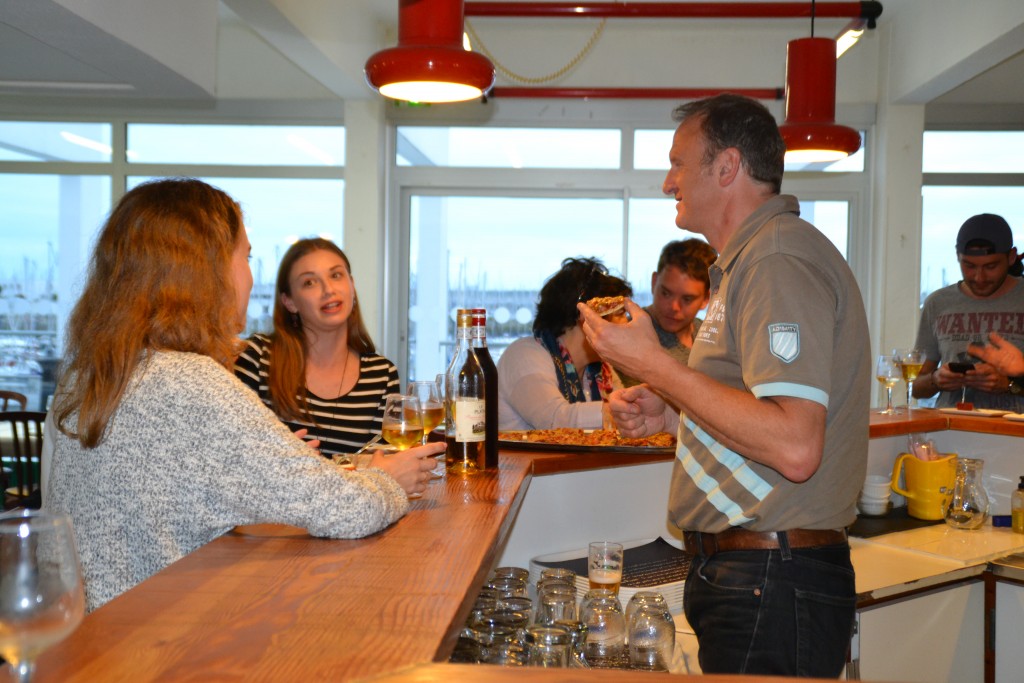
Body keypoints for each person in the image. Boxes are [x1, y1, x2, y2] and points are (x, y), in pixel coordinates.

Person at [46, 178, 440, 612]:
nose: (250, 278)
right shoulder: (190, 382)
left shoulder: (86, 376)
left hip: (86, 644)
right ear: (206, 270)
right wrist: (389, 481)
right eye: (246, 257)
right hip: (159, 646)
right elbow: (347, 511)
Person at [578, 94, 870, 678]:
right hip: (757, 573)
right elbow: (755, 413)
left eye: (679, 163)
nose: (668, 182)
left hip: (772, 574)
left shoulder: (776, 260)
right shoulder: (746, 264)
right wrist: (670, 413)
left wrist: (657, 366)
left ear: (728, 167)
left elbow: (794, 444)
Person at [234, 238, 403, 458]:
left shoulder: (382, 375)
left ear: (351, 285)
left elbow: (381, 470)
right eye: (309, 283)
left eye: (336, 275)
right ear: (289, 302)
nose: (328, 290)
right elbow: (233, 456)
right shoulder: (258, 359)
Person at [497, 257, 632, 430]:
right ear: (585, 316)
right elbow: (555, 419)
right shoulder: (523, 355)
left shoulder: (602, 370)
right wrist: (623, 412)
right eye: (620, 313)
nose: (627, 323)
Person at [912, 213, 1024, 412]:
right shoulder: (937, 303)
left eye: (991, 266)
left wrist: (1009, 384)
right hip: (951, 432)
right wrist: (936, 379)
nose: (979, 277)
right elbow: (916, 388)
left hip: (1014, 436)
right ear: (957, 256)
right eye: (969, 266)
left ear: (1011, 257)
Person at [618, 238, 717, 387]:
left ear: (706, 299)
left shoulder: (710, 337)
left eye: (687, 299)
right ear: (654, 282)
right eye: (666, 293)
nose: (674, 306)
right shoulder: (630, 333)